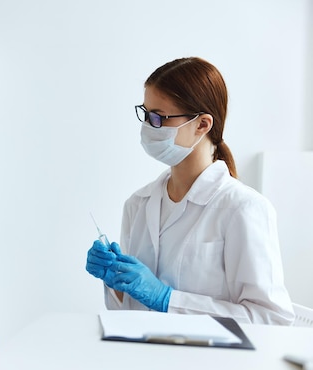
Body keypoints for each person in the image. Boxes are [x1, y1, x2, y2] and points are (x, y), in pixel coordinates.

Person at [86, 57, 294, 325]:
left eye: (158, 117)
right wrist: (115, 281)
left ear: (202, 124)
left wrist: (167, 299)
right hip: (139, 360)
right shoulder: (138, 204)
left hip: (210, 365)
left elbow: (271, 318)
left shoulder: (243, 208)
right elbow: (127, 315)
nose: (149, 127)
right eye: (146, 114)